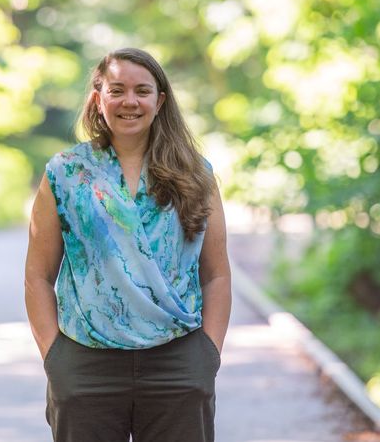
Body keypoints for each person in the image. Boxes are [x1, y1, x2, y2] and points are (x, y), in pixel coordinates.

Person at [24, 47, 232, 442]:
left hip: (178, 360)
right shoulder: (65, 173)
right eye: (117, 90)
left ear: (160, 101)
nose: (130, 102)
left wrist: (208, 355)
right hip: (86, 363)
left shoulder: (196, 174)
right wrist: (56, 360)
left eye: (142, 90)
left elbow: (216, 274)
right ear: (98, 97)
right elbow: (37, 276)